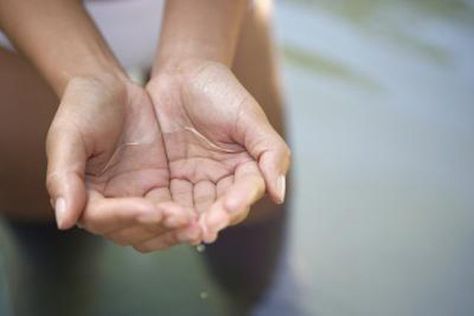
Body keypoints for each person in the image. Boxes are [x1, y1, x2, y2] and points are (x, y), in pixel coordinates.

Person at [0, 0, 291, 314]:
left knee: (252, 269)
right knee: (56, 275)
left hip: (214, 13)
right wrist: (86, 76)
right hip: (27, 29)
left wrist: (194, 59)